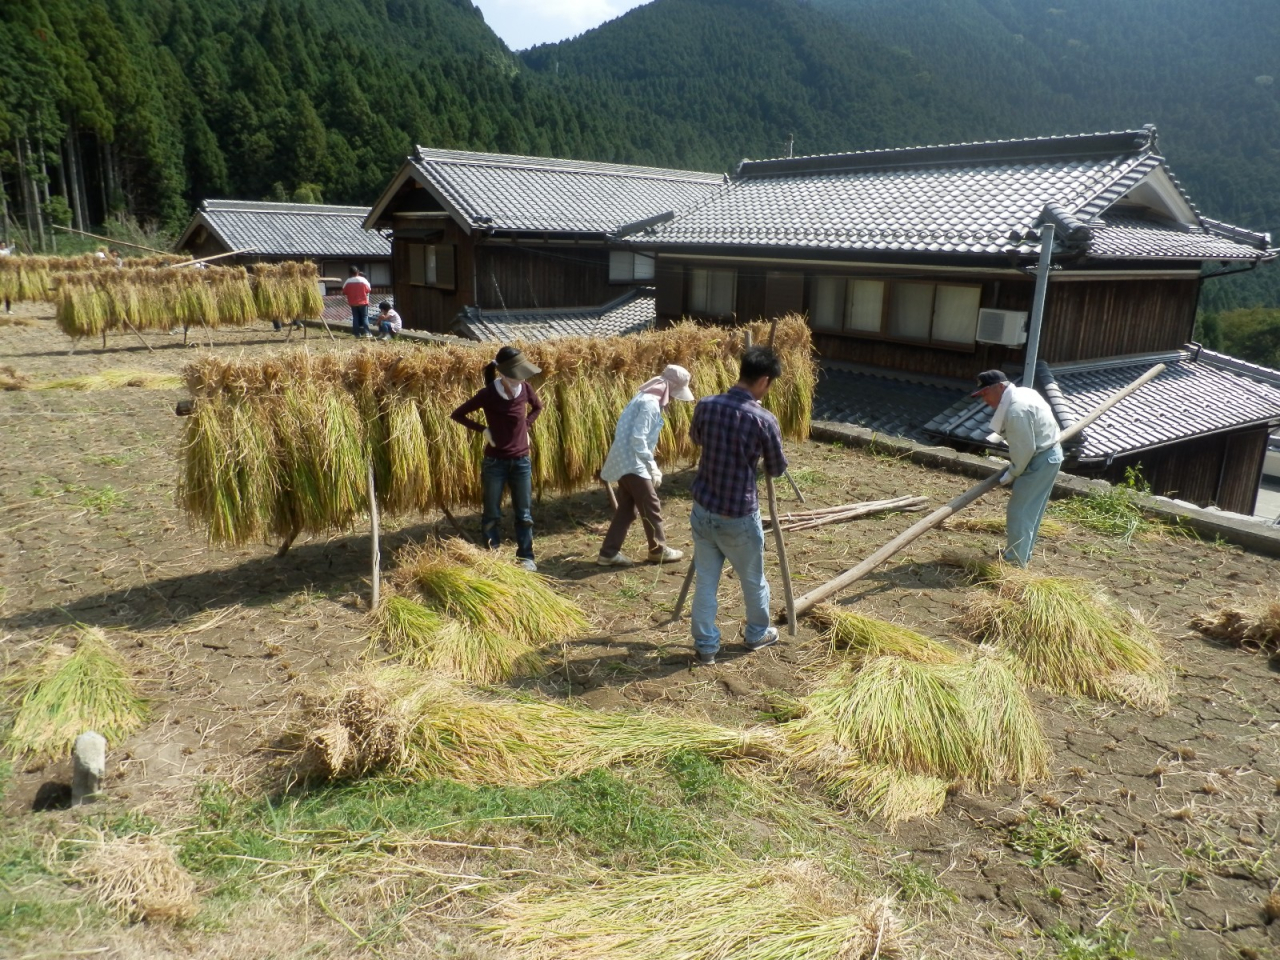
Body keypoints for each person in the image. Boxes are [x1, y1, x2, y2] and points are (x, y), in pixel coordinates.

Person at [688, 346, 788, 666]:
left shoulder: (706, 404)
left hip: (704, 509)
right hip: (738, 516)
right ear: (763, 380)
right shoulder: (763, 420)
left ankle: (706, 646)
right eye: (770, 384)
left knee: (705, 580)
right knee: (753, 579)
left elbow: (697, 439)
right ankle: (757, 634)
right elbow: (776, 468)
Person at [450, 346, 544, 571]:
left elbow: (538, 407)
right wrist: (483, 430)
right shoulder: (488, 394)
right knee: (492, 512)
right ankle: (493, 556)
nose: (519, 379)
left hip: (522, 460)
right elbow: (458, 414)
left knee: (524, 513)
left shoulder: (525, 388)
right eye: (515, 375)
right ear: (503, 374)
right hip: (495, 463)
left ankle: (526, 557)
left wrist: (526, 426)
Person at [597, 364, 696, 567]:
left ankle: (608, 553)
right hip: (633, 461)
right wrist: (652, 467)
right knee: (651, 504)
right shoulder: (650, 403)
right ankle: (658, 550)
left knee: (627, 508)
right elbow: (638, 439)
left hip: (626, 459)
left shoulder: (643, 397)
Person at [972, 369, 1064, 568]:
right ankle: (1022, 555)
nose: (984, 400)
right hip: (1050, 454)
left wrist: (1013, 472)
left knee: (1019, 511)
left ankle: (1014, 564)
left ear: (1000, 387)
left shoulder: (1016, 410)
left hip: (1039, 460)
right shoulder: (1025, 393)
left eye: (985, 393)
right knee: (1030, 510)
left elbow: (1025, 449)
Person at [343, 266, 372, 338]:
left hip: (353, 302)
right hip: (363, 301)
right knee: (364, 317)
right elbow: (368, 290)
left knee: (355, 317)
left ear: (350, 273)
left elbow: (344, 291)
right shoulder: (363, 280)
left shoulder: (348, 281)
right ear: (358, 272)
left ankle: (356, 333)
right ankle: (367, 333)